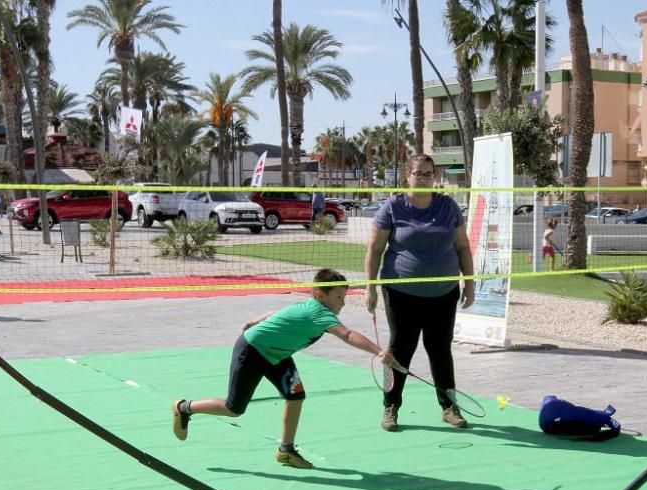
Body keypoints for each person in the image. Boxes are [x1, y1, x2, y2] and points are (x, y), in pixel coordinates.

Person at [170, 268, 394, 469]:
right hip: (252, 351)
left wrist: (253, 321)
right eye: (337, 297)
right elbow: (347, 334)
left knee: (295, 396)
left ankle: (285, 450)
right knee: (234, 408)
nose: (342, 303)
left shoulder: (307, 306)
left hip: (277, 355)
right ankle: (184, 407)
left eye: (343, 298)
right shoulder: (320, 312)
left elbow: (274, 313)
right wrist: (379, 351)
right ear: (319, 295)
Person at [364, 153, 475, 432]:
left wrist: (469, 283)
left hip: (444, 291)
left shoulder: (448, 206)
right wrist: (371, 288)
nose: (424, 178)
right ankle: (391, 407)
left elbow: (462, 246)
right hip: (402, 292)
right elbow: (375, 250)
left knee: (440, 350)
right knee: (400, 350)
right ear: (408, 176)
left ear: (434, 176)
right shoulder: (393, 206)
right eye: (418, 173)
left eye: (428, 173)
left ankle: (449, 407)